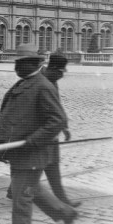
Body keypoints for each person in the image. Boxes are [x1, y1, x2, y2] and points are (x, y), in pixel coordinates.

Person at [0, 44, 79, 224]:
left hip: (30, 155)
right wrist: (3, 148)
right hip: (19, 153)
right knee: (34, 191)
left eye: (22, 63)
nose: (17, 67)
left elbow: (58, 120)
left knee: (21, 203)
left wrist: (33, 140)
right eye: (16, 63)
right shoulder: (23, 83)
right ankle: (66, 213)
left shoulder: (43, 86)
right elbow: (10, 118)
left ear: (34, 64)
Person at [42, 52, 81, 208]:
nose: (62, 76)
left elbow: (56, 104)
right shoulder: (41, 80)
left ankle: (61, 197)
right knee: (47, 164)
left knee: (49, 163)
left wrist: (63, 127)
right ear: (54, 68)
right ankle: (62, 198)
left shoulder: (51, 79)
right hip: (39, 131)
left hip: (49, 130)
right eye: (61, 72)